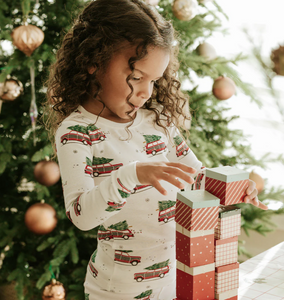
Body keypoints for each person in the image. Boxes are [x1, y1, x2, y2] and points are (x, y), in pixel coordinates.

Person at [45, 0, 268, 299]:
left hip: (177, 280)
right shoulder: (77, 133)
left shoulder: (157, 120)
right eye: (136, 78)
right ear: (93, 60)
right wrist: (131, 176)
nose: (145, 92)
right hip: (117, 291)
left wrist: (235, 187)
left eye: (153, 81)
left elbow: (194, 176)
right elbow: (82, 216)